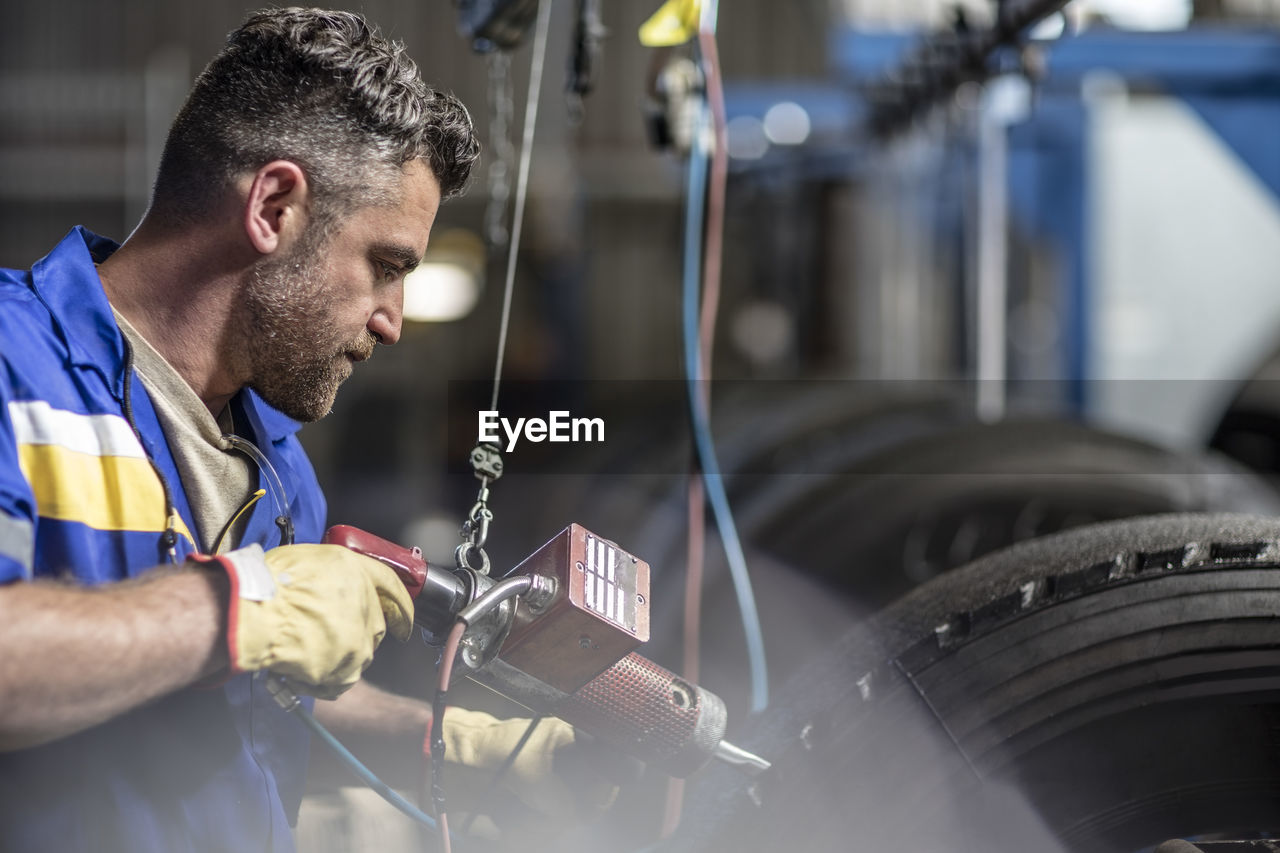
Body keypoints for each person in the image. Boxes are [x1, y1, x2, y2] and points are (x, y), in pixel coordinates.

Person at [0, 8, 608, 852]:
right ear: (276, 206)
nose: (393, 319)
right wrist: (235, 606)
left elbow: (257, 704)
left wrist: (460, 748)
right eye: (386, 265)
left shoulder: (280, 469)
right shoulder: (13, 368)